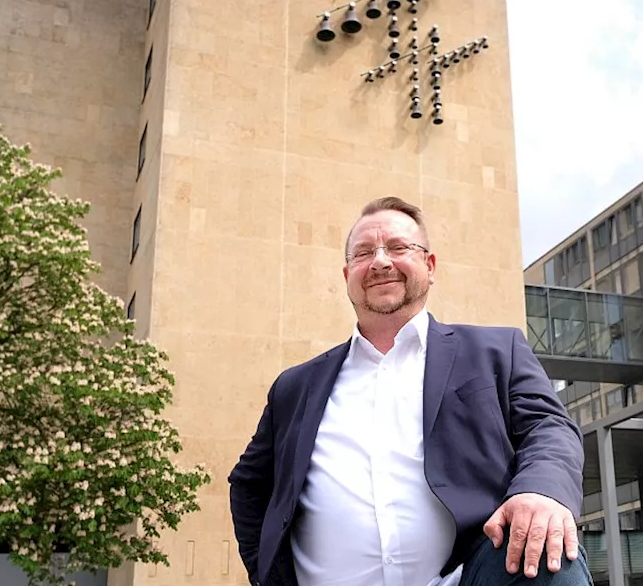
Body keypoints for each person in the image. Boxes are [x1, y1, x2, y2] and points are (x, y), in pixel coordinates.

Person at [228, 196, 590, 586]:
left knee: (548, 547)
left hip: (467, 578)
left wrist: (541, 492)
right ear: (347, 273)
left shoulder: (496, 352)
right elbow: (249, 485)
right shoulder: (295, 387)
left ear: (429, 266)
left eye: (398, 248)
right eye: (364, 253)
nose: (381, 261)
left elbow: (549, 428)